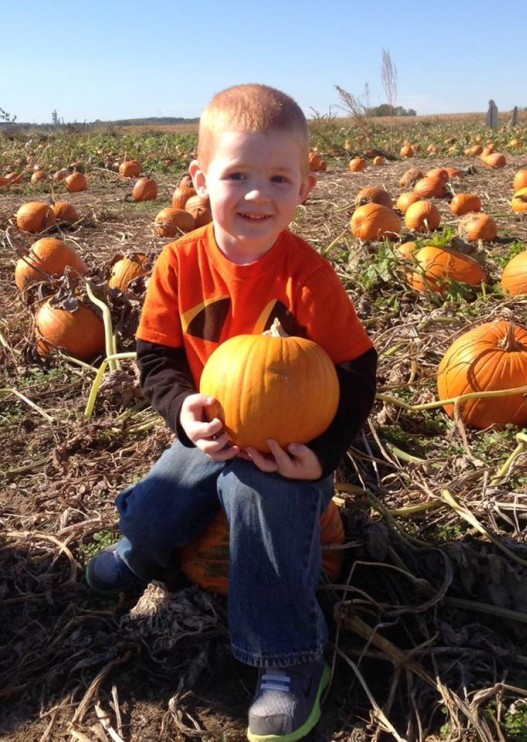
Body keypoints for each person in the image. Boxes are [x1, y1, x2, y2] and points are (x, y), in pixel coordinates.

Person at [86, 83, 377, 742]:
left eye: (278, 177)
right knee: (164, 502)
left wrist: (321, 455)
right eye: (237, 174)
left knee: (262, 507)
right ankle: (142, 550)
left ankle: (288, 660)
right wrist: (182, 412)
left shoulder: (309, 276)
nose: (256, 193)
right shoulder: (179, 264)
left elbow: (359, 370)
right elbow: (156, 357)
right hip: (213, 429)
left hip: (283, 446)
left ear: (304, 187)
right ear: (199, 179)